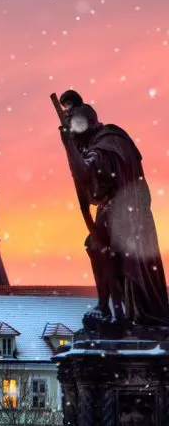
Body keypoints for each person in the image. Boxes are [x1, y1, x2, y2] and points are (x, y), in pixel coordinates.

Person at [54, 90, 169, 330]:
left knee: (111, 251)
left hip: (128, 210)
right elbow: (91, 186)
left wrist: (68, 146)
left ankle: (121, 310)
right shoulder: (99, 144)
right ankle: (110, 307)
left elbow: (88, 174)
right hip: (114, 208)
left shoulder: (110, 141)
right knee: (96, 246)